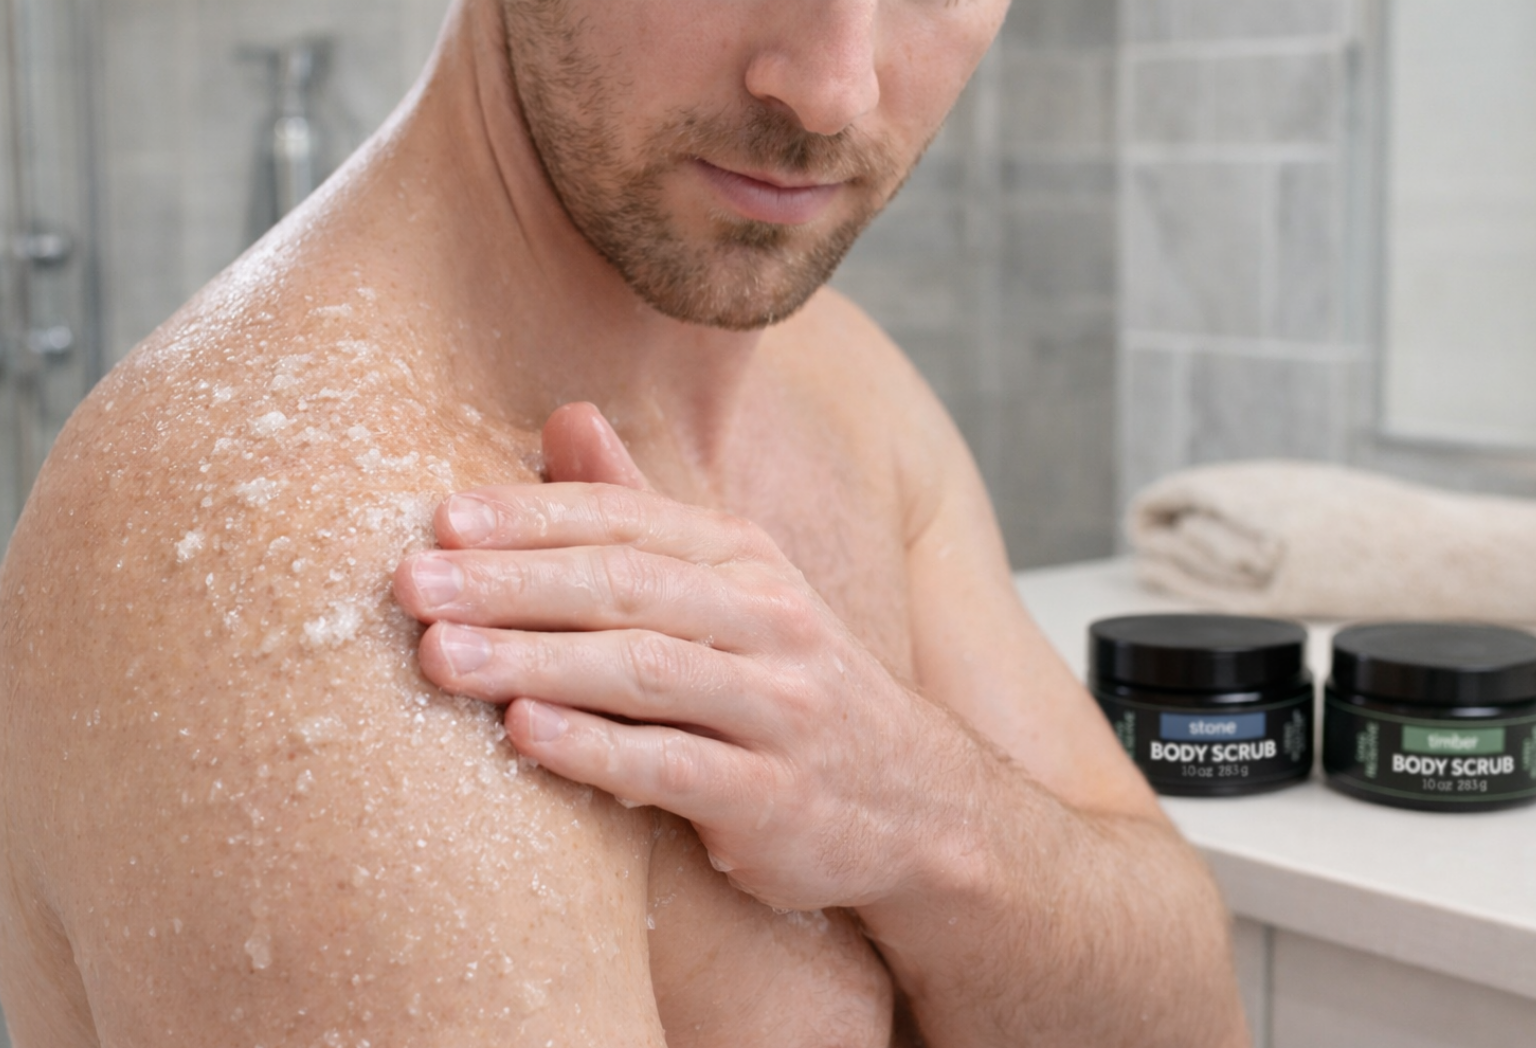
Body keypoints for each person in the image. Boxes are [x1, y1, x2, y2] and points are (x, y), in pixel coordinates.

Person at [0, 0, 1248, 1044]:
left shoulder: (839, 385)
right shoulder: (289, 556)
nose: (829, 85)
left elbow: (1191, 1014)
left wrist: (920, 815)